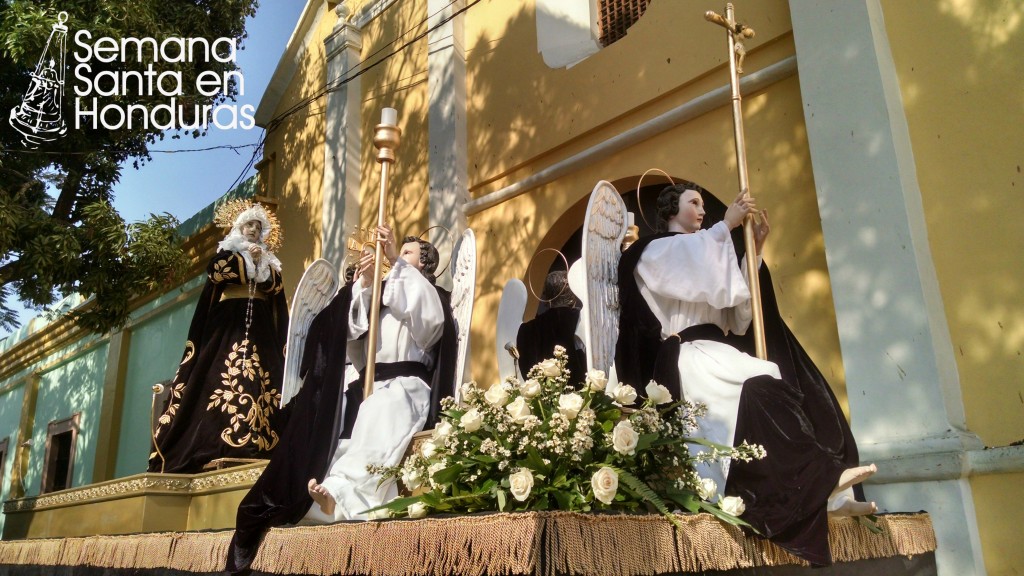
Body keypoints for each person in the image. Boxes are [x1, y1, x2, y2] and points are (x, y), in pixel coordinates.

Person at [615, 183, 875, 566]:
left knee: (767, 377)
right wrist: (725, 227)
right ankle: (812, 486)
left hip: (718, 349)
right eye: (694, 203)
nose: (702, 210)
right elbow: (691, 264)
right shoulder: (654, 251)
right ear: (671, 209)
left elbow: (737, 315)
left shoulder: (702, 251)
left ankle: (827, 493)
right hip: (688, 356)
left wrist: (752, 252)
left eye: (704, 205)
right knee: (753, 389)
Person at [306, 226, 455, 521]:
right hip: (375, 385)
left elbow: (430, 326)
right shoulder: (386, 296)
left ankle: (339, 492)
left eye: (407, 253)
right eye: (399, 252)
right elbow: (353, 337)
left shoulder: (431, 294)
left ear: (424, 263)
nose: (397, 255)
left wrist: (393, 262)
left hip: (408, 386)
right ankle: (340, 495)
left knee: (382, 408)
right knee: (349, 414)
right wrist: (365, 285)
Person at [150, 201, 288, 474]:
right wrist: (247, 259)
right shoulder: (228, 252)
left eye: (258, 227)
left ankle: (263, 441)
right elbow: (218, 272)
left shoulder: (269, 260)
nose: (253, 231)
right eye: (249, 225)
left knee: (263, 379)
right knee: (216, 375)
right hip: (228, 323)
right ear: (239, 227)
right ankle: (218, 440)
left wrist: (260, 262)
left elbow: (276, 287)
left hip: (260, 326)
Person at [516, 270, 587, 380]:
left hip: (543, 394)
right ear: (572, 294)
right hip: (579, 392)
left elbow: (526, 366)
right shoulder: (583, 319)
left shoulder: (527, 329)